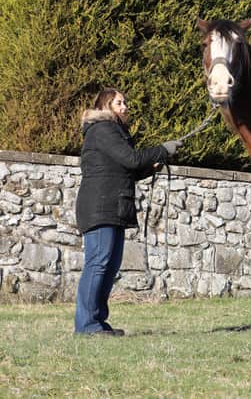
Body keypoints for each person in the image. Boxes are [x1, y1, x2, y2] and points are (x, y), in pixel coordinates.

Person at [74, 87, 182, 336]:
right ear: (105, 107)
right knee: (98, 264)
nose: (125, 107)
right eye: (119, 103)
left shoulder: (114, 132)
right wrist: (162, 149)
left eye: (125, 102)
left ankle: (97, 322)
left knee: (109, 266)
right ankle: (86, 326)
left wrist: (154, 165)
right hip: (100, 206)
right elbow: (132, 159)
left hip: (112, 205)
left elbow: (128, 169)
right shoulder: (103, 129)